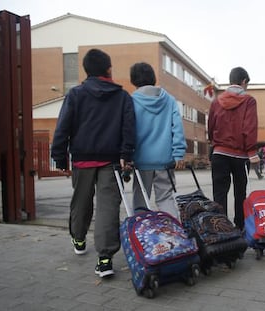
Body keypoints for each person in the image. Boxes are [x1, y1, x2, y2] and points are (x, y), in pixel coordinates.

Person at [51, 49, 136, 278]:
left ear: (87, 70)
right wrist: (126, 155)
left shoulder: (76, 94)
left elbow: (63, 126)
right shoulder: (122, 97)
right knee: (108, 207)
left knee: (81, 201)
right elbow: (129, 130)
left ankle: (79, 239)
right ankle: (105, 259)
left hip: (82, 158)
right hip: (111, 161)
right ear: (108, 69)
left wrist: (59, 155)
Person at [129, 62, 186, 219]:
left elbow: (128, 131)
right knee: (165, 199)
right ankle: (174, 234)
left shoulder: (132, 101)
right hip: (165, 161)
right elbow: (177, 128)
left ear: (133, 80)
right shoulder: (169, 100)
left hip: (141, 161)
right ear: (153, 77)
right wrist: (179, 153)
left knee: (140, 200)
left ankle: (143, 237)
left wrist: (127, 155)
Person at [207, 67, 259, 230]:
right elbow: (249, 127)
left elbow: (211, 125)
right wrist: (252, 152)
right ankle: (240, 226)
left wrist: (213, 142)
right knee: (240, 193)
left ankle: (221, 229)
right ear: (243, 82)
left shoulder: (216, 101)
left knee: (219, 193)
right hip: (240, 155)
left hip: (219, 153)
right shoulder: (249, 101)